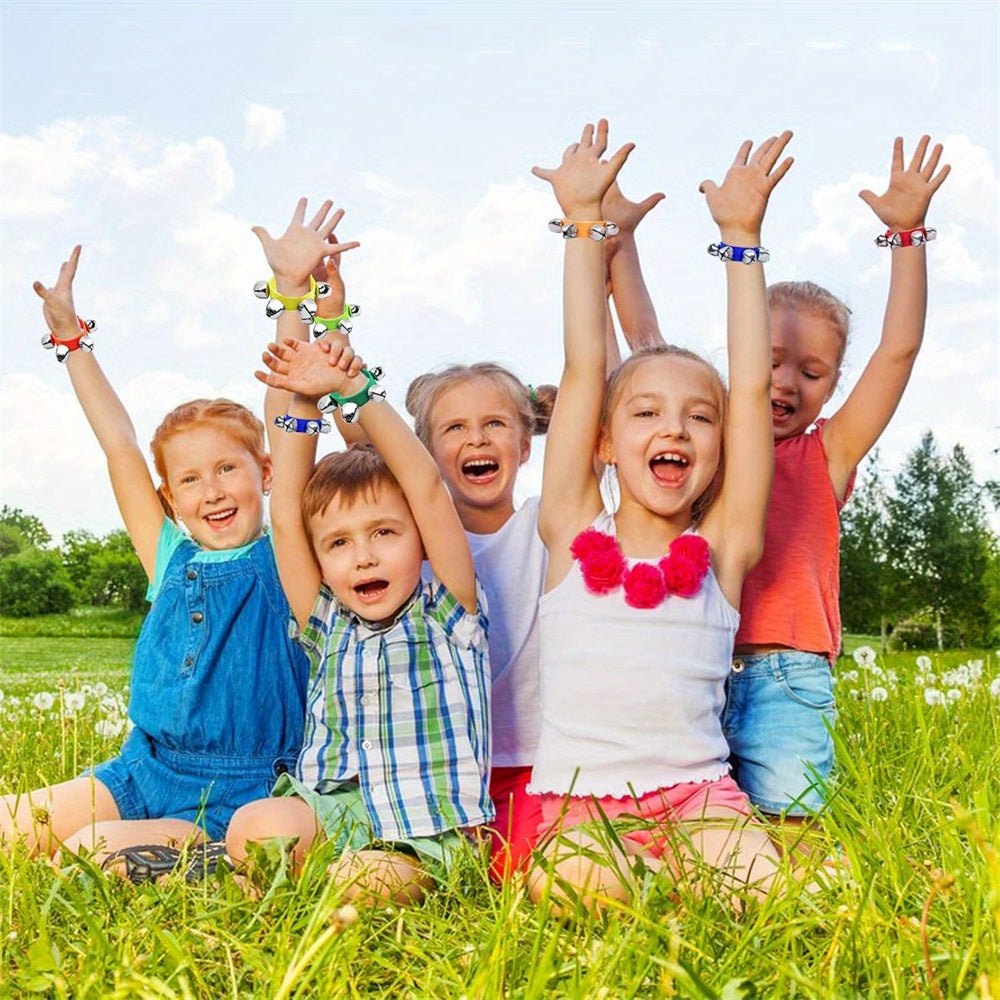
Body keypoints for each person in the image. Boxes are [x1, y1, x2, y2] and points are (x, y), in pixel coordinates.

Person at [524, 119, 793, 911]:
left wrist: (742, 240)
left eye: (697, 418)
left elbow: (750, 389)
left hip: (698, 799)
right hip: (579, 804)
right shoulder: (573, 530)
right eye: (645, 413)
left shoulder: (724, 547)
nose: (674, 428)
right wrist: (582, 225)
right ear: (606, 443)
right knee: (569, 884)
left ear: (719, 446)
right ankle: (668, 888)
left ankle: (687, 881)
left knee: (770, 890)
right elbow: (583, 366)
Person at [1, 244, 316, 875]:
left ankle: (201, 855)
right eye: (191, 479)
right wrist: (71, 339)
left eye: (227, 469)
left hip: (247, 789)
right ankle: (167, 846)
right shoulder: (169, 556)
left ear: (265, 473)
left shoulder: (288, 551)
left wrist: (291, 296)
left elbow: (290, 415)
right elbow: (119, 444)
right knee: (12, 827)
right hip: (144, 769)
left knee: (91, 855)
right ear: (170, 499)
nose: (212, 491)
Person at [224, 234, 492, 905]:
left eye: (384, 533)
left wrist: (351, 387)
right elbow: (287, 502)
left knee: (357, 881)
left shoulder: (448, 610)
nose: (364, 555)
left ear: (419, 538)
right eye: (339, 543)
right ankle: (270, 877)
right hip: (335, 811)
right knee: (252, 827)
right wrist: (294, 310)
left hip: (428, 832)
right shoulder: (326, 619)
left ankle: (302, 889)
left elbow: (424, 485)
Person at [725, 135, 951, 841]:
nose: (786, 382)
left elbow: (898, 351)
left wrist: (907, 236)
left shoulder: (828, 452)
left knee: (792, 830)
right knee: (705, 835)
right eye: (771, 360)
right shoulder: (710, 439)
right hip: (696, 660)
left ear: (833, 384)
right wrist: (616, 249)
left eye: (812, 372)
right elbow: (643, 344)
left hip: (787, 675)